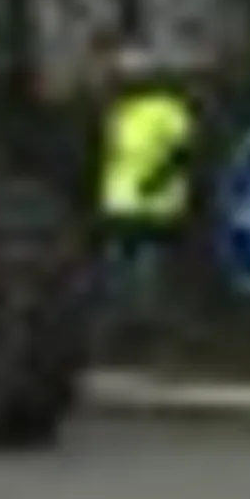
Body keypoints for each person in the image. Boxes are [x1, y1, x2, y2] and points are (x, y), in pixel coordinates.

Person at [95, 47, 198, 355]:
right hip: (120, 205)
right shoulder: (120, 113)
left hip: (156, 205)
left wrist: (159, 177)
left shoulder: (168, 109)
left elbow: (182, 151)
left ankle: (150, 331)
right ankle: (122, 332)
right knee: (117, 272)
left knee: (148, 272)